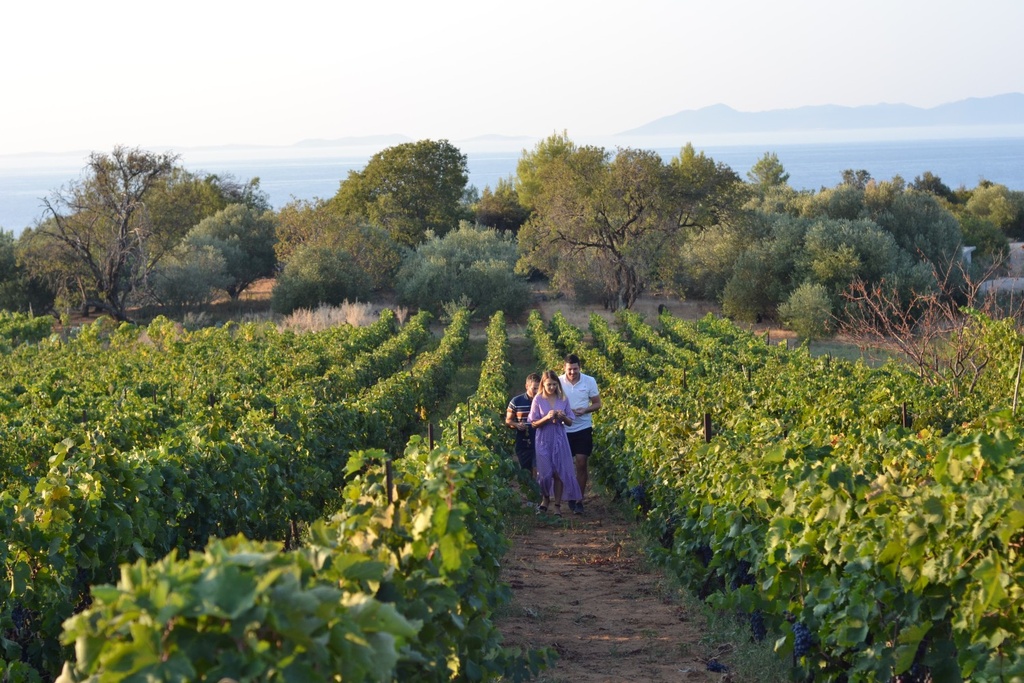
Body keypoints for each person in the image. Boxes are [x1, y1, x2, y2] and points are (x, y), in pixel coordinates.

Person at [529, 369, 582, 517]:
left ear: (557, 384)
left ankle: (557, 505)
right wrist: (546, 418)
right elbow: (533, 423)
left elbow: (570, 422)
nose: (551, 387)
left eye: (554, 384)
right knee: (545, 473)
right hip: (543, 440)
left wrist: (563, 417)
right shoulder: (538, 399)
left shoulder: (563, 399)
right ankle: (545, 499)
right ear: (543, 385)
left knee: (559, 472)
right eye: (548, 385)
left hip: (559, 439)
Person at [559, 353, 601, 515]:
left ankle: (579, 499)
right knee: (566, 465)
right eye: (569, 369)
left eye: (575, 369)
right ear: (564, 368)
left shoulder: (589, 381)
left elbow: (597, 403)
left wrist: (585, 410)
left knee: (582, 463)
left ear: (579, 368)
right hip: (563, 429)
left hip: (583, 427)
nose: (572, 372)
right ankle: (569, 494)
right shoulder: (559, 382)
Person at [506, 372, 541, 479]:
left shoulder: (543, 401)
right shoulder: (516, 401)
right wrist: (516, 425)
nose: (536, 392)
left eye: (538, 388)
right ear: (526, 386)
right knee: (526, 471)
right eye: (534, 388)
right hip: (523, 441)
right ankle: (532, 493)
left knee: (537, 468)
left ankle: (540, 493)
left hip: (540, 438)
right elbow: (508, 421)